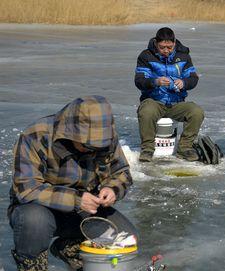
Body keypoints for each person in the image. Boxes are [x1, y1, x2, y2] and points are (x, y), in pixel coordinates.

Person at [8, 96, 136, 271]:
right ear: (71, 133)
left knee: (124, 238)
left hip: (86, 209)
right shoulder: (36, 135)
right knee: (33, 221)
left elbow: (121, 173)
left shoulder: (106, 138)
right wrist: (76, 199)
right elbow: (26, 188)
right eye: (87, 145)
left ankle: (67, 248)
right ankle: (31, 266)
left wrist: (112, 188)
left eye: (97, 147)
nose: (93, 150)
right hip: (38, 208)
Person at [135, 27, 204, 162]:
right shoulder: (146, 56)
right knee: (146, 111)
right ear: (156, 43)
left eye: (169, 47)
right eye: (162, 47)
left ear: (174, 43)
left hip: (176, 103)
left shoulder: (184, 56)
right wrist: (155, 81)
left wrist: (184, 82)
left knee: (196, 112)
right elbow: (139, 81)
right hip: (154, 101)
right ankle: (147, 149)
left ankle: (185, 148)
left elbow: (193, 78)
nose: (166, 51)